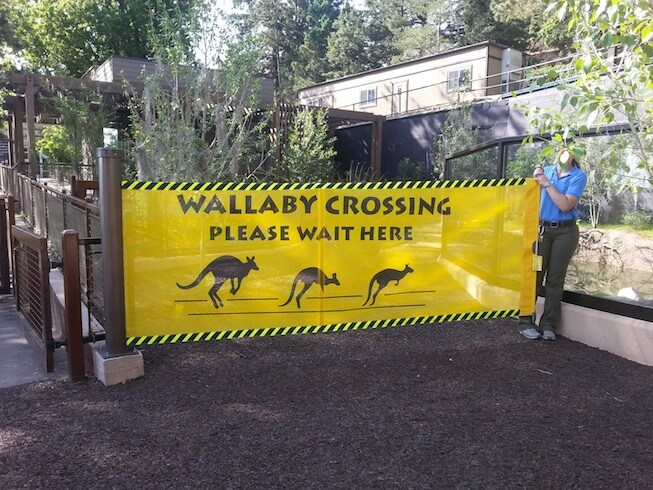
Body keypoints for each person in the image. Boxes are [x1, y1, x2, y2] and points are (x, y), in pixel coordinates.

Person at [519, 148, 588, 340]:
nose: (564, 154)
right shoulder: (545, 171)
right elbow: (528, 198)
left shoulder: (578, 176)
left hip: (565, 232)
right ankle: (525, 321)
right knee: (534, 276)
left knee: (555, 279)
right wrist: (537, 179)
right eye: (561, 149)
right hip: (540, 231)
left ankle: (549, 323)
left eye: (569, 150)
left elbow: (565, 204)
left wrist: (546, 184)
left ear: (575, 155)